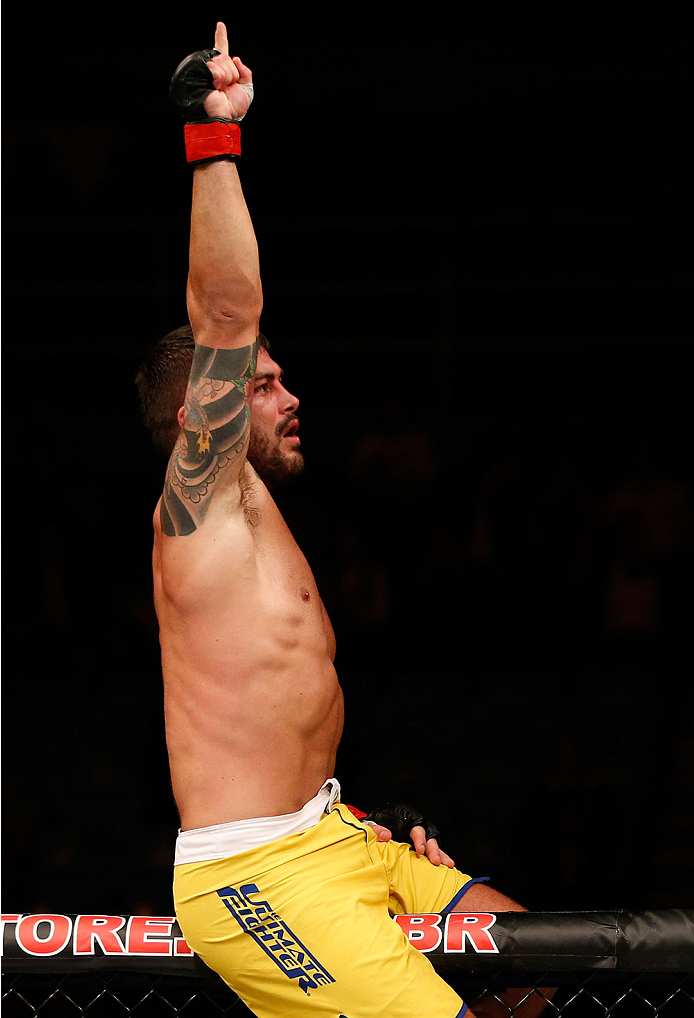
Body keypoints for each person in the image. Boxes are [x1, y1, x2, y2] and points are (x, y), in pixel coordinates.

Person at [139, 22, 550, 1018]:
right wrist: (213, 135)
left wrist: (361, 817)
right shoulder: (198, 508)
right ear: (206, 414)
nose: (287, 396)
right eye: (263, 385)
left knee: (537, 979)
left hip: (334, 835)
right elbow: (226, 318)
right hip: (258, 875)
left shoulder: (260, 520)